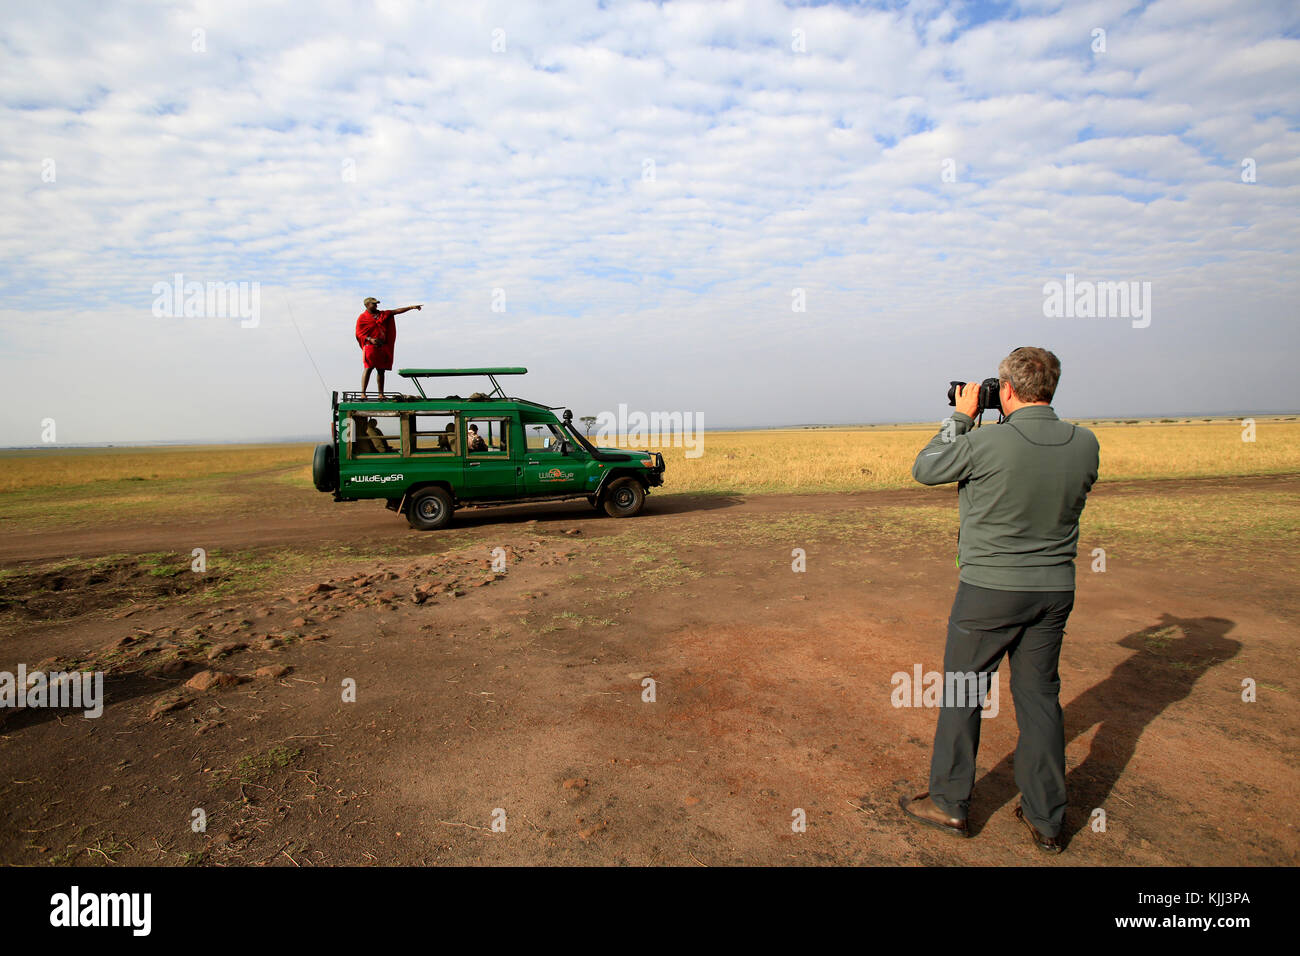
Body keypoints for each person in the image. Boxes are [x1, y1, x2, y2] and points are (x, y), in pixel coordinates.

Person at [898, 347, 1099, 853]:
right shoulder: (1085, 443)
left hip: (990, 590)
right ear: (1051, 386)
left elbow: (927, 468)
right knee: (1040, 699)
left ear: (1005, 390)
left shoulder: (987, 443)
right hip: (1054, 590)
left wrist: (961, 417)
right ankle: (1047, 817)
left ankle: (948, 803)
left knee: (965, 693)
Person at [355, 297, 423, 397]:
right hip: (370, 346)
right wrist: (370, 339)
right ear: (367, 305)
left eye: (376, 304)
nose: (376, 305)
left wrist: (411, 307)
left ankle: (381, 394)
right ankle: (363, 393)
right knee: (368, 368)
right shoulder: (362, 318)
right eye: (374, 304)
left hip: (382, 346)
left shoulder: (382, 314)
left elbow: (396, 311)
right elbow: (359, 333)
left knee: (381, 370)